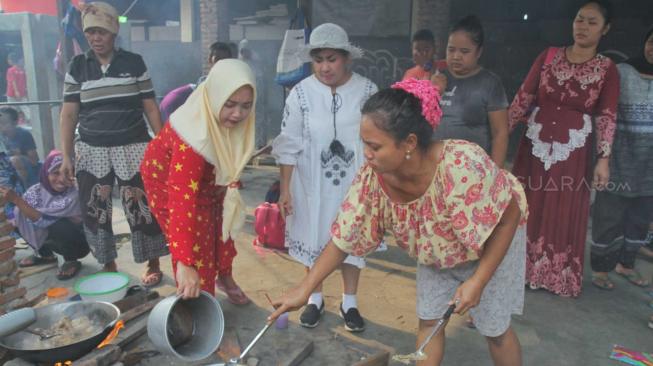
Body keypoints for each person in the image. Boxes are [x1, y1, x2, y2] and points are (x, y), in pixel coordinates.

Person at [270, 79, 529, 366]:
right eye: (363, 143)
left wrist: (478, 281)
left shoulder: (460, 165)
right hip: (437, 250)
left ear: (409, 143)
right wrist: (305, 288)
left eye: (375, 146)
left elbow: (510, 216)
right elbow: (344, 238)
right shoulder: (372, 178)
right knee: (429, 322)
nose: (366, 154)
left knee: (494, 329)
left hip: (490, 242)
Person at [272, 23, 378, 332]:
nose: (325, 67)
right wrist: (285, 190)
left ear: (346, 59)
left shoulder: (367, 90)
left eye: (332, 59)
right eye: (318, 60)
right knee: (312, 233)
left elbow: (379, 137)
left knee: (351, 241)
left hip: (354, 185)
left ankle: (350, 302)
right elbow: (288, 143)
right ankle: (314, 298)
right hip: (309, 184)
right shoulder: (301, 94)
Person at [509, 0, 619, 297]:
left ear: (605, 29)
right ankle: (518, 270)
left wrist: (603, 159)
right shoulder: (548, 56)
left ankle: (555, 275)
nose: (582, 26)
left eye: (592, 22)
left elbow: (607, 115)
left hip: (574, 150)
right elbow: (523, 96)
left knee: (562, 208)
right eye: (580, 19)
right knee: (527, 204)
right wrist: (499, 134)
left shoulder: (608, 69)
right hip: (534, 143)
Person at [59, 2, 168, 286]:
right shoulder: (78, 66)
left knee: (141, 206)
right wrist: (66, 154)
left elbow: (151, 108)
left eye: (102, 32)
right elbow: (69, 114)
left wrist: (164, 146)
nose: (96, 38)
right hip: (91, 148)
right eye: (91, 32)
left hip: (133, 146)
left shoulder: (133, 63)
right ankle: (109, 265)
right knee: (96, 209)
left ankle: (152, 263)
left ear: (113, 33)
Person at [141, 59, 255, 303]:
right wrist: (184, 261)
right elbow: (182, 202)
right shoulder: (192, 137)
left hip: (208, 178)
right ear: (214, 97)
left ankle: (224, 275)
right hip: (167, 184)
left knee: (223, 223)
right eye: (231, 104)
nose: (238, 114)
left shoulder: (229, 120)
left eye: (246, 106)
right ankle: (200, 305)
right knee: (196, 247)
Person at [590, 24, 653, 291]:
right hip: (619, 157)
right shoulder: (622, 72)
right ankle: (601, 269)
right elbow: (605, 112)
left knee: (640, 216)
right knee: (609, 214)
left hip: (650, 164)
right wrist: (603, 155)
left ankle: (625, 263)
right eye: (651, 41)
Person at [1, 151, 89, 280]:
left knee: (57, 223)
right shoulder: (36, 191)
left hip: (79, 244)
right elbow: (22, 215)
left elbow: (44, 220)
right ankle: (45, 255)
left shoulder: (74, 192)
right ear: (45, 173)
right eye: (55, 173)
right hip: (54, 240)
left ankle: (71, 260)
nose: (61, 179)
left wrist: (17, 200)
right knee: (18, 215)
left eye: (66, 173)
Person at [434, 16, 509, 167]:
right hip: (435, 167)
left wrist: (495, 175)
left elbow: (500, 133)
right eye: (451, 49)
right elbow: (419, 122)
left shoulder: (490, 83)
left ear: (479, 52)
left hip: (473, 169)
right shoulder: (436, 78)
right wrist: (432, 91)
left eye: (464, 51)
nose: (456, 56)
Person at [159, 42, 233, 122]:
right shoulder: (204, 85)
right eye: (217, 59)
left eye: (224, 59)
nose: (220, 62)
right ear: (209, 59)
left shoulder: (230, 84)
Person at [0, 107, 40, 187]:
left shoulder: (24, 134)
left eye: (3, 123)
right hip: (5, 171)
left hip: (24, 169)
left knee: (15, 160)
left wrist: (18, 155)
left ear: (15, 122)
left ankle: (24, 191)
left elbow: (34, 160)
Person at [5, 52, 29, 124]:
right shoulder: (22, 70)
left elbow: (13, 81)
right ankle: (27, 119)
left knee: (13, 108)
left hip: (12, 93)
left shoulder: (11, 70)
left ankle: (14, 122)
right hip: (22, 92)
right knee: (24, 107)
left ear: (11, 60)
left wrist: (16, 91)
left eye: (8, 60)